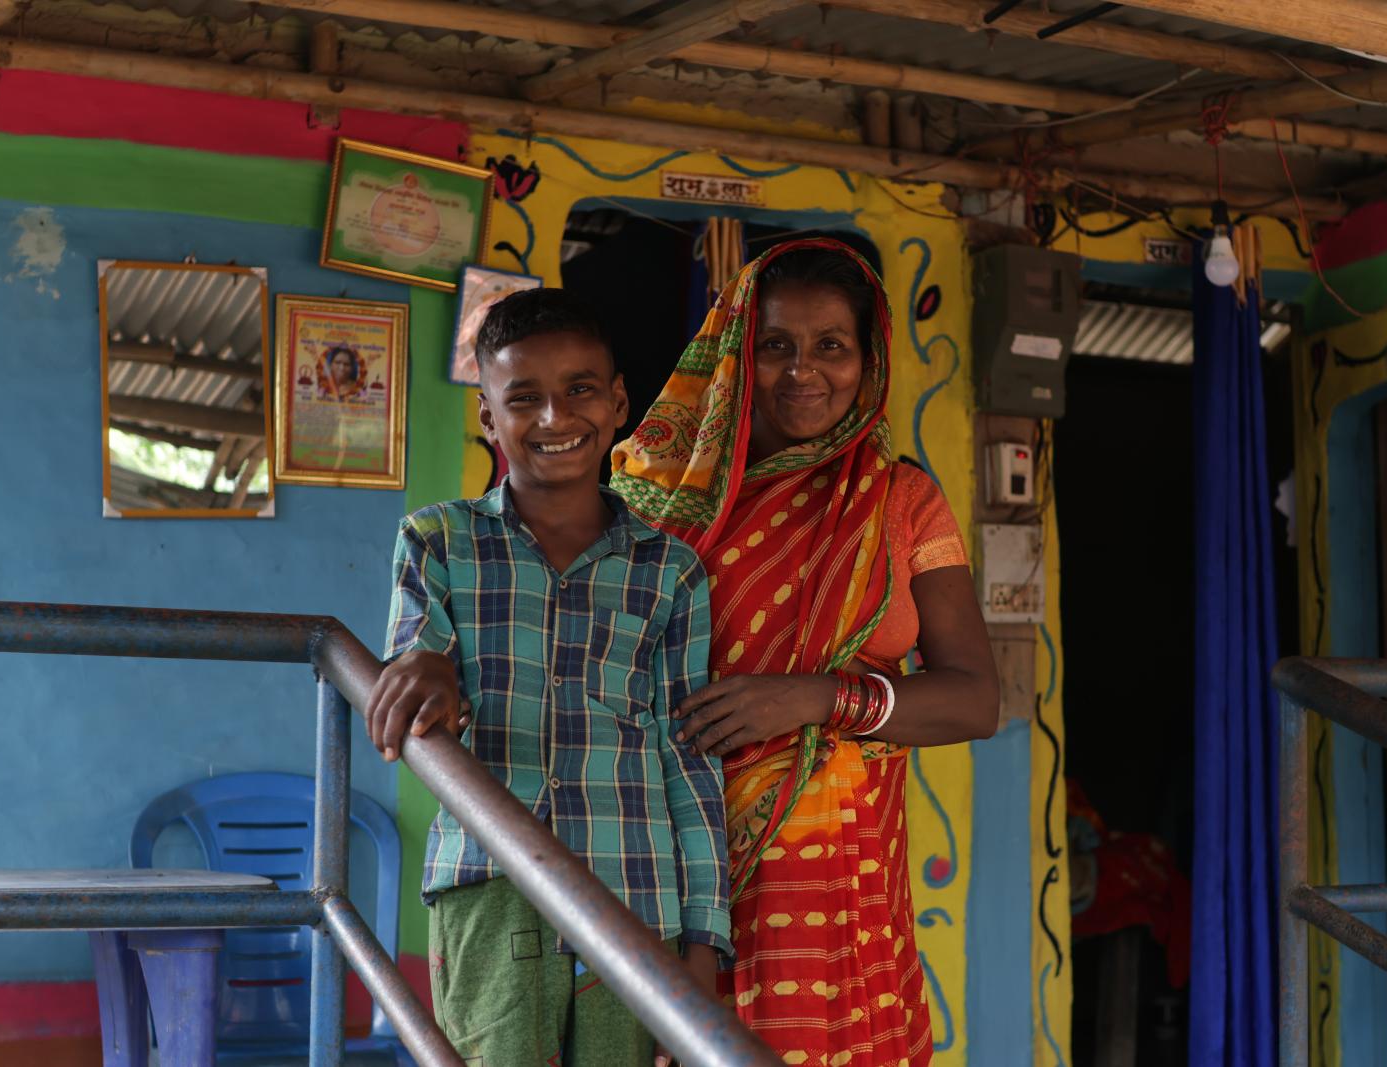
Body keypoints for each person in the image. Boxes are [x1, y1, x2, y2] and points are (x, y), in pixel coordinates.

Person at [613, 239, 1000, 1067]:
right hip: (680, 864)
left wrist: (817, 697)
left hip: (845, 886)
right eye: (776, 345)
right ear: (735, 356)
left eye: (832, 346)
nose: (804, 371)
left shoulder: (901, 501)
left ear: (869, 360)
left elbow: (975, 700)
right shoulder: (667, 505)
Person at [367, 287, 730, 1067]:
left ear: (620, 401)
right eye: (522, 398)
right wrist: (425, 673)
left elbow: (690, 759)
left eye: (580, 390)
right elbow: (412, 672)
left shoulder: (672, 573)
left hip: (636, 897)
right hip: (493, 888)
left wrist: (705, 936)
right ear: (487, 419)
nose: (554, 418)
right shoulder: (437, 541)